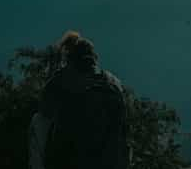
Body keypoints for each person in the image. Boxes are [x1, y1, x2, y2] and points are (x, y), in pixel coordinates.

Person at [29, 31, 129, 169]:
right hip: (109, 161)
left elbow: (42, 121)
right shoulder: (113, 83)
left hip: (71, 160)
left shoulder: (61, 79)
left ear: (69, 57)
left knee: (37, 120)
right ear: (94, 58)